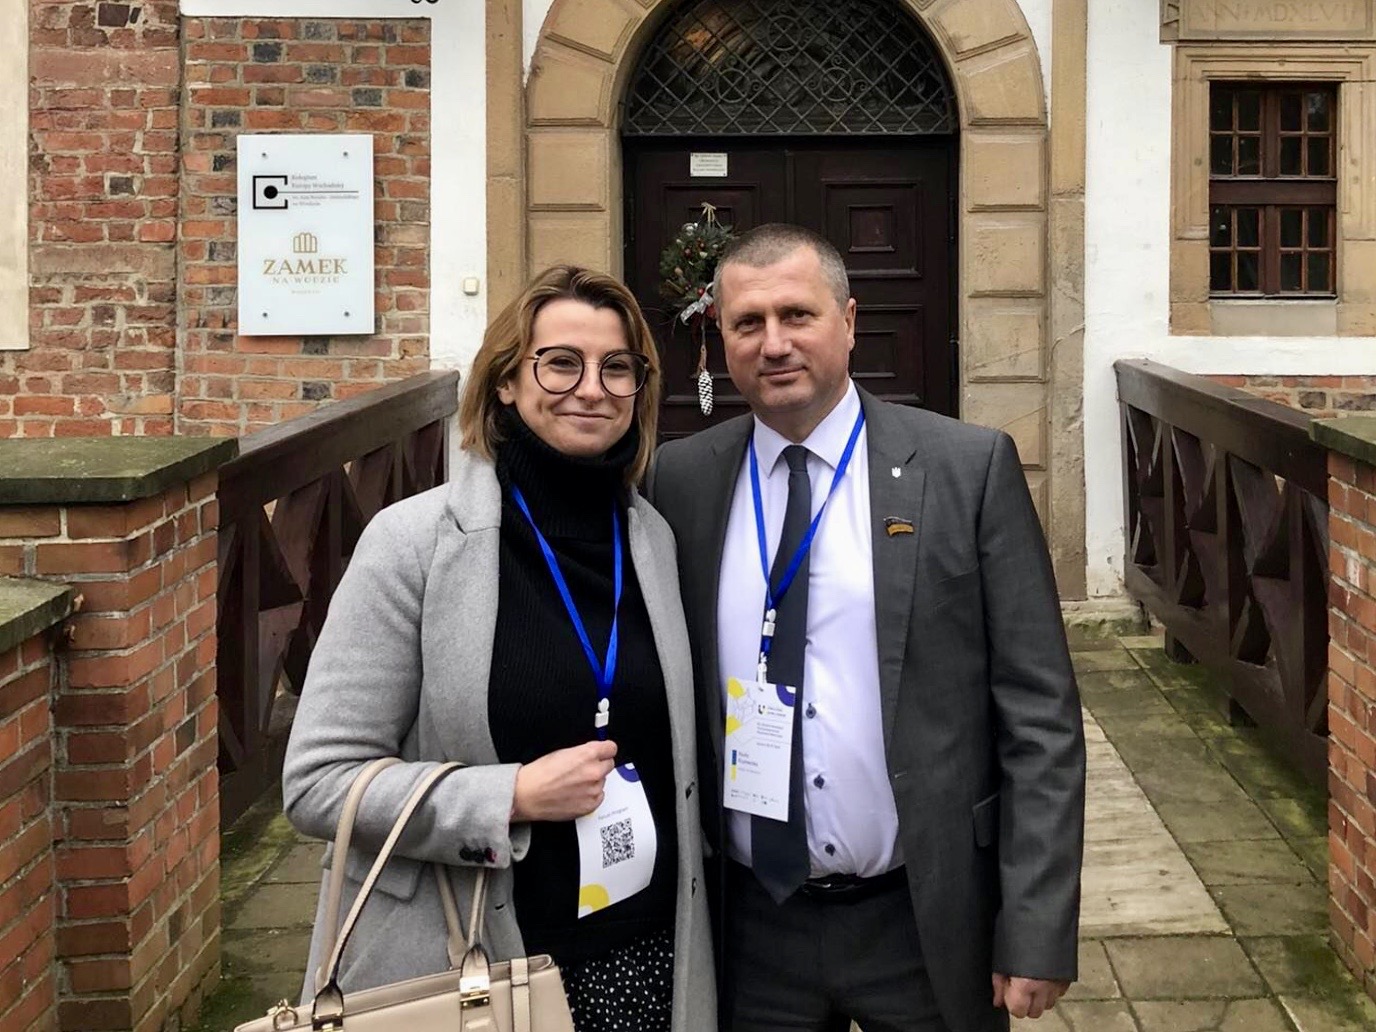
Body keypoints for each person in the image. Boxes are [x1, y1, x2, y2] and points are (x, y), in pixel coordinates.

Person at [646, 224, 1085, 1032]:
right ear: (721, 340)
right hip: (752, 930)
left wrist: (1037, 923)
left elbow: (1040, 715)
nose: (774, 343)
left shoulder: (966, 468)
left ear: (848, 322)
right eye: (748, 323)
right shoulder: (680, 479)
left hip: (921, 920)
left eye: (797, 315)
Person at [283, 265, 715, 1032]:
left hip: (644, 963)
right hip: (474, 969)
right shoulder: (413, 544)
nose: (592, 389)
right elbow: (319, 782)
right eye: (561, 363)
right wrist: (508, 797)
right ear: (507, 382)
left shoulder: (653, 539)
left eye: (617, 368)